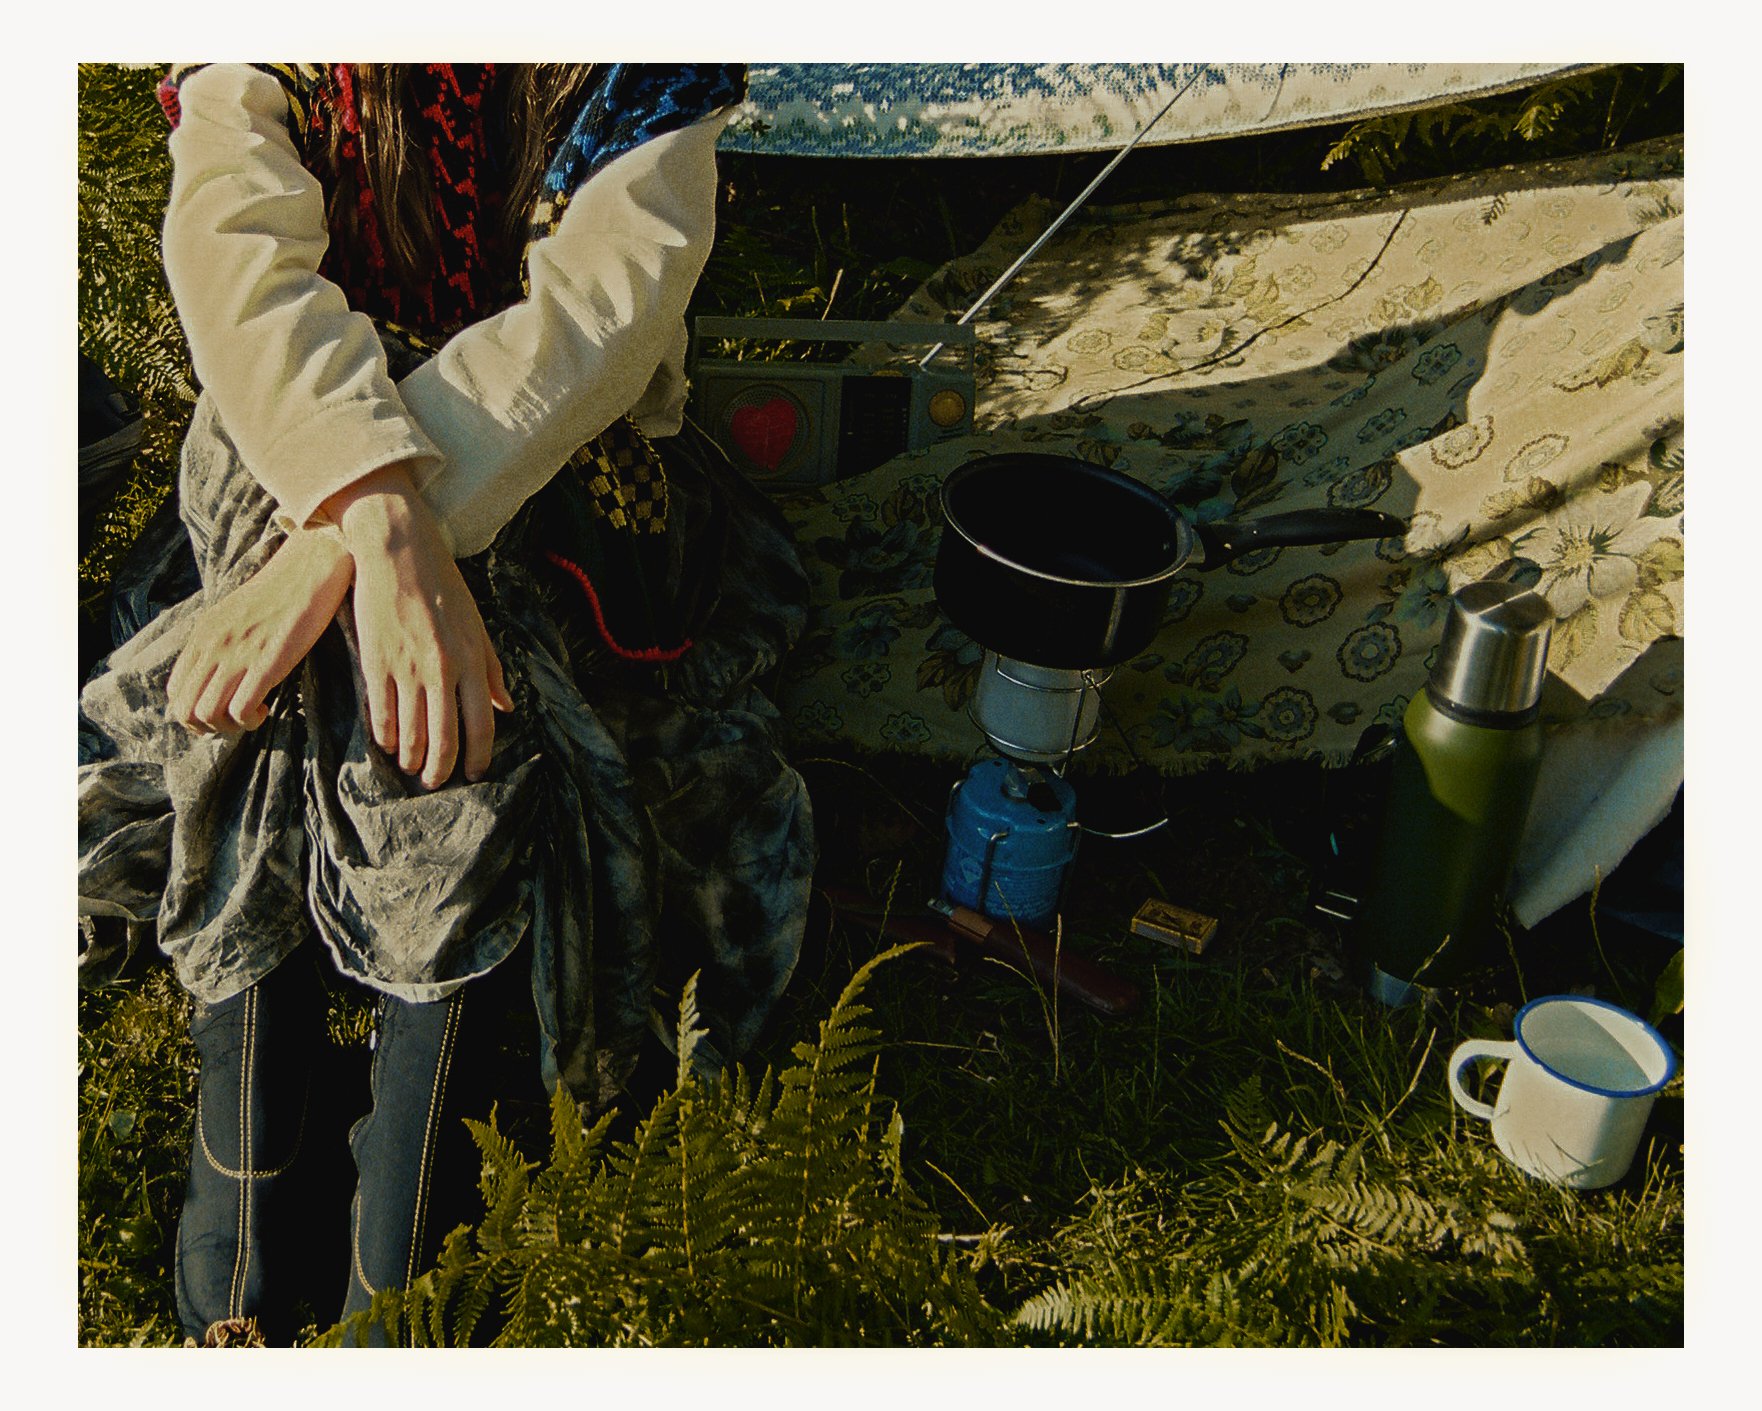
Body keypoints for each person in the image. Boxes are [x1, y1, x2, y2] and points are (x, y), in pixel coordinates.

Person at [77, 62, 816, 1347]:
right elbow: (235, 249)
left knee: (436, 671)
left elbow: (601, 316)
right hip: (293, 423)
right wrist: (368, 510)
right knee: (291, 659)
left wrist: (362, 545)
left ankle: (362, 1254)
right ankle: (310, 1210)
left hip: (554, 457)